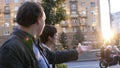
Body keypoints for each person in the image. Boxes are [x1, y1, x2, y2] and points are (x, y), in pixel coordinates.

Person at [0, 2, 46, 68]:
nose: (45, 23)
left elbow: (52, 56)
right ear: (38, 20)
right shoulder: (11, 49)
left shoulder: (31, 42)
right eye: (44, 19)